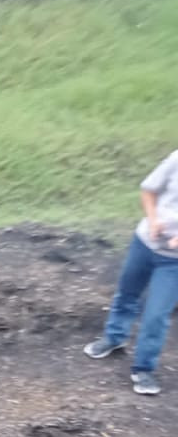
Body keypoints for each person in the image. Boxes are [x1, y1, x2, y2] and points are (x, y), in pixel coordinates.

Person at [82, 151, 178, 396]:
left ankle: (143, 369)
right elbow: (148, 190)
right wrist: (153, 219)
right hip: (144, 243)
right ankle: (114, 338)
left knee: (156, 314)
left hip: (173, 262)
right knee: (127, 292)